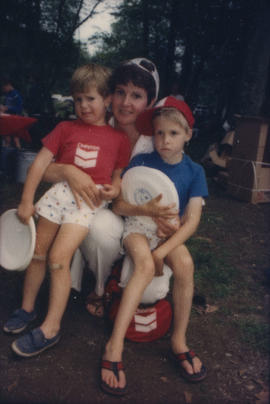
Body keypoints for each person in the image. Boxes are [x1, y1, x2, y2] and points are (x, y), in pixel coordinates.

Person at [3, 63, 131, 357]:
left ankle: (51, 327)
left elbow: (119, 171)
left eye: (91, 98)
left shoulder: (118, 138)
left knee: (59, 258)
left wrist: (115, 186)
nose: (84, 106)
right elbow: (39, 164)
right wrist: (26, 200)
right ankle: (27, 308)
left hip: (85, 203)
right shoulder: (65, 128)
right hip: (57, 196)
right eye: (78, 99)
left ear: (107, 98)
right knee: (38, 252)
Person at [42, 58, 175, 318]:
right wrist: (69, 171)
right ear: (108, 96)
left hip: (143, 226)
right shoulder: (92, 124)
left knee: (150, 294)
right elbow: (44, 168)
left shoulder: (159, 139)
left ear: (149, 102)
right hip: (107, 214)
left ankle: (119, 272)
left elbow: (174, 193)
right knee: (99, 225)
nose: (126, 102)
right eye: (120, 92)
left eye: (136, 96)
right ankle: (101, 286)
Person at [100, 96, 208, 395]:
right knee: (144, 265)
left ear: (187, 134)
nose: (164, 140)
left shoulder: (195, 171)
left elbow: (192, 221)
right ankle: (114, 345)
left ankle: (179, 341)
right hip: (138, 227)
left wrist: (162, 249)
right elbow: (119, 205)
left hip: (169, 234)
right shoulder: (141, 162)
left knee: (185, 264)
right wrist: (145, 210)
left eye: (173, 133)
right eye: (159, 132)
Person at [0, 78, 24, 148]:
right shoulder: (8, 95)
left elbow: (19, 108)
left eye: (4, 88)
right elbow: (7, 106)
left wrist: (7, 108)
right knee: (7, 138)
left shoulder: (16, 94)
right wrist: (3, 108)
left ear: (8, 85)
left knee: (16, 139)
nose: (4, 90)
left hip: (15, 119)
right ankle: (6, 153)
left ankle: (18, 153)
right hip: (8, 119)